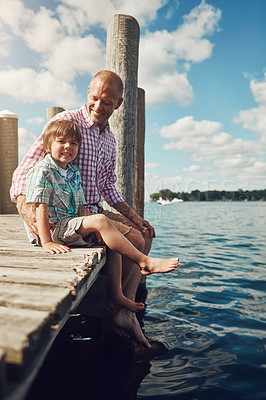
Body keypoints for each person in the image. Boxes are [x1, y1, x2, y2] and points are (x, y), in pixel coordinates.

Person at [10, 70, 174, 348]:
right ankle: (118, 309)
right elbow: (25, 173)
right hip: (61, 213)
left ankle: (120, 308)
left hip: (87, 208)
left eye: (107, 102)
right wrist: (33, 218)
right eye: (95, 98)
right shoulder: (65, 124)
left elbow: (108, 186)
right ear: (88, 92)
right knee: (133, 239)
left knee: (143, 233)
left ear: (118, 104)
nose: (98, 107)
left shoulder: (109, 140)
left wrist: (135, 216)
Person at [26, 119, 179, 316]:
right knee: (100, 219)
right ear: (48, 146)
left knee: (112, 238)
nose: (68, 147)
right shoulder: (43, 171)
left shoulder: (73, 172)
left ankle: (117, 295)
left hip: (72, 225)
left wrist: (94, 228)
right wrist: (46, 242)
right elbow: (40, 208)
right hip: (54, 230)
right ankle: (144, 262)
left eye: (73, 143)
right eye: (61, 141)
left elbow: (81, 208)